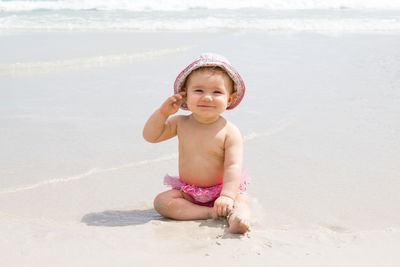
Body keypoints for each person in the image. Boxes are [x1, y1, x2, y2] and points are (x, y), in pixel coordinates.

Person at [142, 53, 251, 234]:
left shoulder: (229, 131)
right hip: (189, 193)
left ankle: (236, 217)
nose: (207, 98)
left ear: (230, 99)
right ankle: (209, 212)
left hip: (222, 189)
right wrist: (162, 113)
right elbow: (151, 136)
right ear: (185, 95)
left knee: (242, 201)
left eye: (217, 92)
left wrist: (227, 196)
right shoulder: (180, 123)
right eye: (199, 91)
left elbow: (233, 166)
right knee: (162, 203)